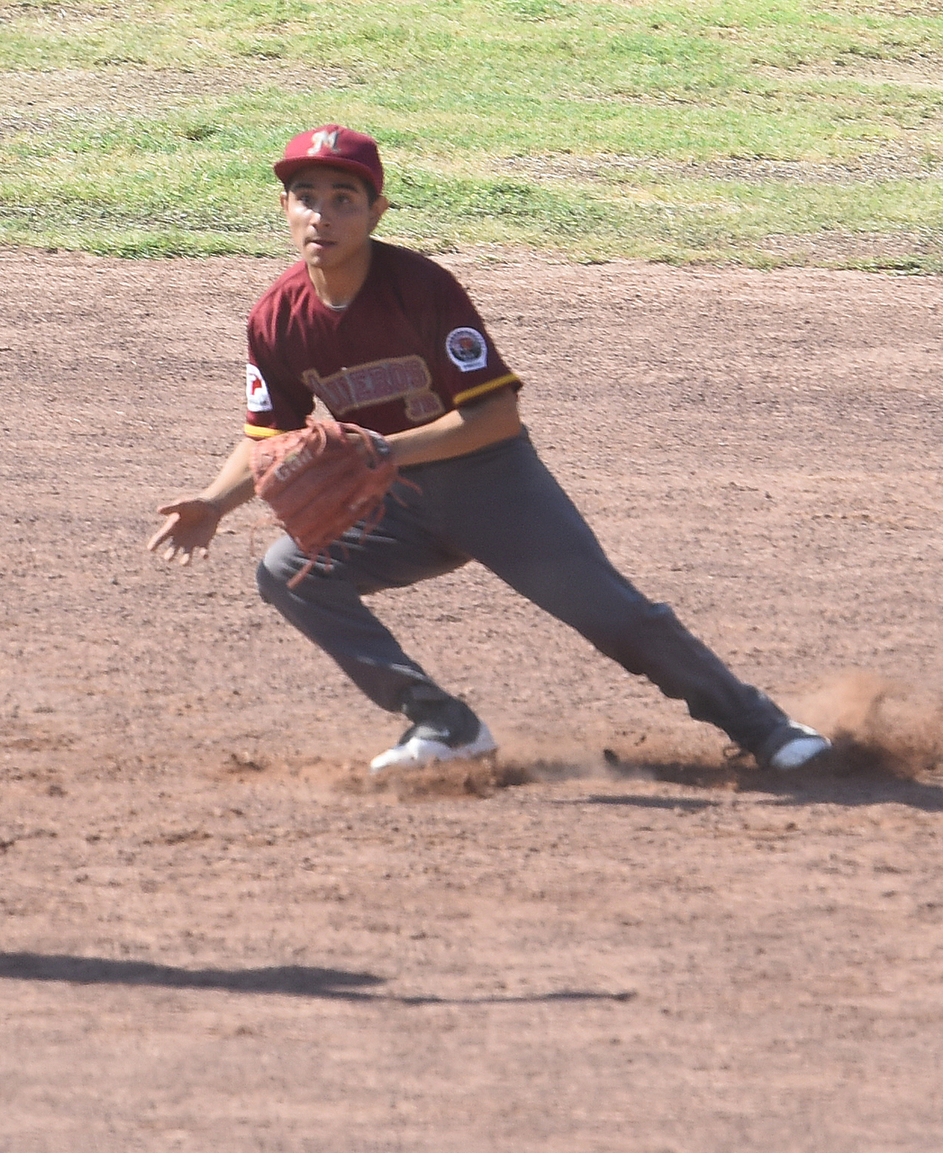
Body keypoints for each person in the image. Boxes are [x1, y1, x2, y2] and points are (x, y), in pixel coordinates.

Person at [147, 124, 831, 774]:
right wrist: (214, 502)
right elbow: (267, 437)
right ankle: (443, 723)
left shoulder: (420, 288)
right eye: (306, 199)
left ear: (377, 211)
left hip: (494, 486)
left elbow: (496, 416)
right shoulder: (276, 317)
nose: (322, 216)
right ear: (285, 208)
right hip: (397, 502)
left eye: (343, 200)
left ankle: (764, 728)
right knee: (288, 571)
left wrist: (385, 449)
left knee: (615, 617)